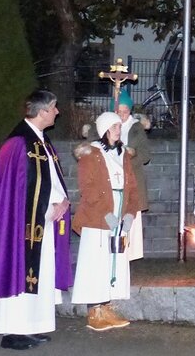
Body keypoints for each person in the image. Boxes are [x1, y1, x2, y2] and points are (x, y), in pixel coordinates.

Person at [0, 89, 73, 351]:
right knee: (19, 272)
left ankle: (30, 327)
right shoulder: (17, 144)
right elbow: (15, 191)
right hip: (19, 226)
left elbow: (50, 180)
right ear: (43, 110)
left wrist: (62, 202)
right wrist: (51, 204)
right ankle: (12, 331)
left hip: (43, 222)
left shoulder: (42, 141)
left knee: (39, 274)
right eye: (54, 107)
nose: (57, 112)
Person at [71, 112, 140, 331]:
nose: (119, 130)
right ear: (104, 130)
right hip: (98, 216)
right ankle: (94, 310)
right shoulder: (92, 154)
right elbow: (88, 188)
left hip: (119, 210)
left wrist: (130, 213)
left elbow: (132, 187)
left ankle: (106, 306)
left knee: (114, 262)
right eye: (115, 127)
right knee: (96, 261)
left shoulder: (123, 155)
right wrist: (105, 213)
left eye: (120, 127)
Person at [114, 89, 151, 261]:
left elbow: (145, 155)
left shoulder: (136, 128)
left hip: (132, 178)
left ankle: (128, 254)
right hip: (113, 180)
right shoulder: (107, 126)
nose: (122, 115)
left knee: (130, 217)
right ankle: (114, 250)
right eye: (118, 112)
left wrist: (131, 155)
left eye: (125, 112)